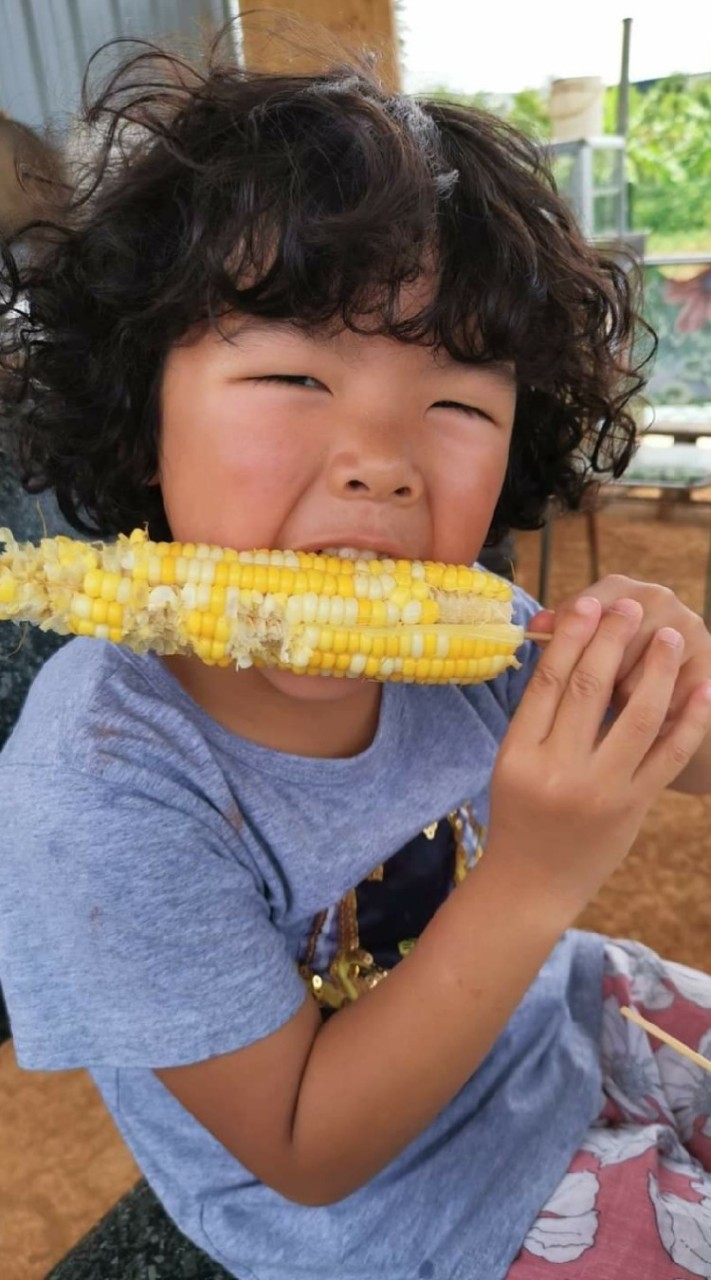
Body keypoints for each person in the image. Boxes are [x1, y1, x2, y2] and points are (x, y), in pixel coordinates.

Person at [2, 31, 711, 1280]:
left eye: (458, 404)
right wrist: (539, 872)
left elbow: (691, 760)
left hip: (559, 1009)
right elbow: (303, 1148)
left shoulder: (477, 624)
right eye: (290, 372)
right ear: (143, 418)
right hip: (411, 1213)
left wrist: (667, 679)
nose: (384, 457)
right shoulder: (104, 771)